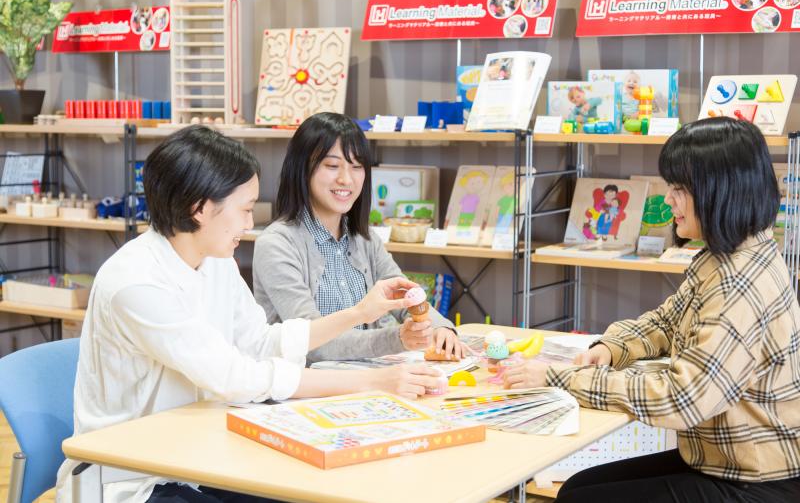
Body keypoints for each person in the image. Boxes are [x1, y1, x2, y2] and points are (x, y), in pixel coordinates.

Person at [55, 125, 442, 503]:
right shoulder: (136, 283)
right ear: (199, 209)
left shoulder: (214, 258)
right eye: (244, 209)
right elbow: (235, 377)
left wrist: (358, 312)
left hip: (199, 454)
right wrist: (370, 382)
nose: (249, 223)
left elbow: (261, 341)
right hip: (134, 475)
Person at [504, 117, 800, 502]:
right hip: (726, 460)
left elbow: (681, 398)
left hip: (756, 480)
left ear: (720, 190)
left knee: (580, 498)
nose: (668, 200)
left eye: (679, 189)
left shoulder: (738, 285)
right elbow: (666, 321)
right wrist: (611, 347)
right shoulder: (730, 254)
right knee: (578, 488)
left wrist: (560, 379)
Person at [254, 112, 466, 364]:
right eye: (332, 166)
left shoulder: (365, 239)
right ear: (302, 168)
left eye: (357, 167)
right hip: (306, 383)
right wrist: (398, 338)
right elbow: (310, 342)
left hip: (367, 377)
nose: (346, 179)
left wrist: (441, 328)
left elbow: (404, 295)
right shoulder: (276, 244)